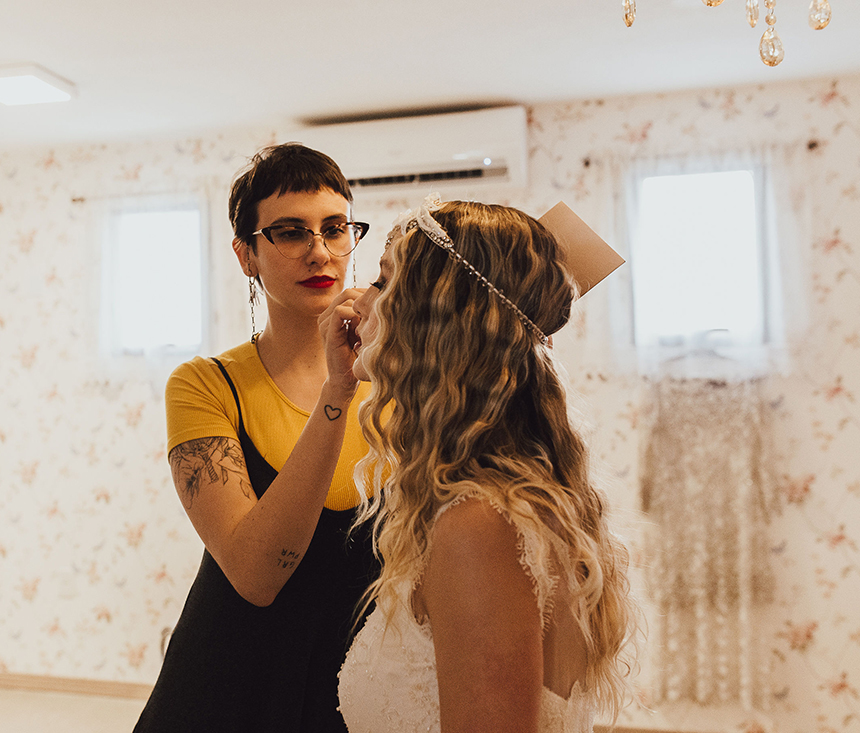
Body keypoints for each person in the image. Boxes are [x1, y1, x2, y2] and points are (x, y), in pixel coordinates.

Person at [337, 197, 638, 733]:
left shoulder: (479, 524)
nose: (358, 300)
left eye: (382, 281)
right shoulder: (495, 500)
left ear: (434, 321)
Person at [132, 143, 379, 733]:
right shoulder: (204, 385)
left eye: (334, 228)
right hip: (226, 689)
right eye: (290, 232)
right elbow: (256, 576)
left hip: (355, 687)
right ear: (247, 255)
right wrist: (338, 390)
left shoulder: (398, 384)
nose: (320, 251)